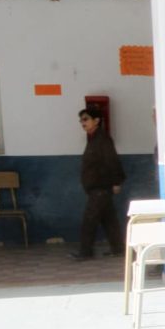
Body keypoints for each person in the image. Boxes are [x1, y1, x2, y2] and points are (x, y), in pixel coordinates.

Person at [70, 106, 125, 260]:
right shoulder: (93, 138)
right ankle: (118, 248)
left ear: (96, 121)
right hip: (96, 186)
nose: (82, 123)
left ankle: (85, 252)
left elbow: (112, 161)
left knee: (90, 219)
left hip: (101, 186)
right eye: (81, 120)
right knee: (109, 219)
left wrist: (116, 181)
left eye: (86, 119)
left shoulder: (102, 139)